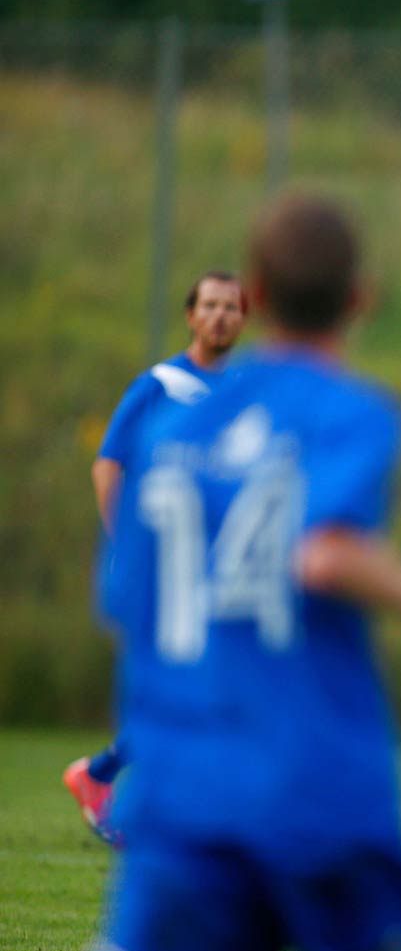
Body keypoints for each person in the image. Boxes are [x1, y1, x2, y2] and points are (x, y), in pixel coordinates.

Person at [7, 194, 401, 951]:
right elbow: (324, 553)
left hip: (185, 794)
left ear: (259, 292)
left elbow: (127, 600)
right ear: (360, 298)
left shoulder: (168, 426)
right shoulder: (351, 413)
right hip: (316, 796)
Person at [64, 272, 251, 846]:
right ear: (191, 316)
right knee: (185, 689)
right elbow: (108, 465)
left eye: (231, 307)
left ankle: (107, 778)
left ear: (245, 318)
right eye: (210, 305)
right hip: (157, 571)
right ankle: (113, 784)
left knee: (215, 689)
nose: (220, 316)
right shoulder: (161, 384)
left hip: (209, 571)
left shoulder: (243, 390)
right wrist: (127, 544)